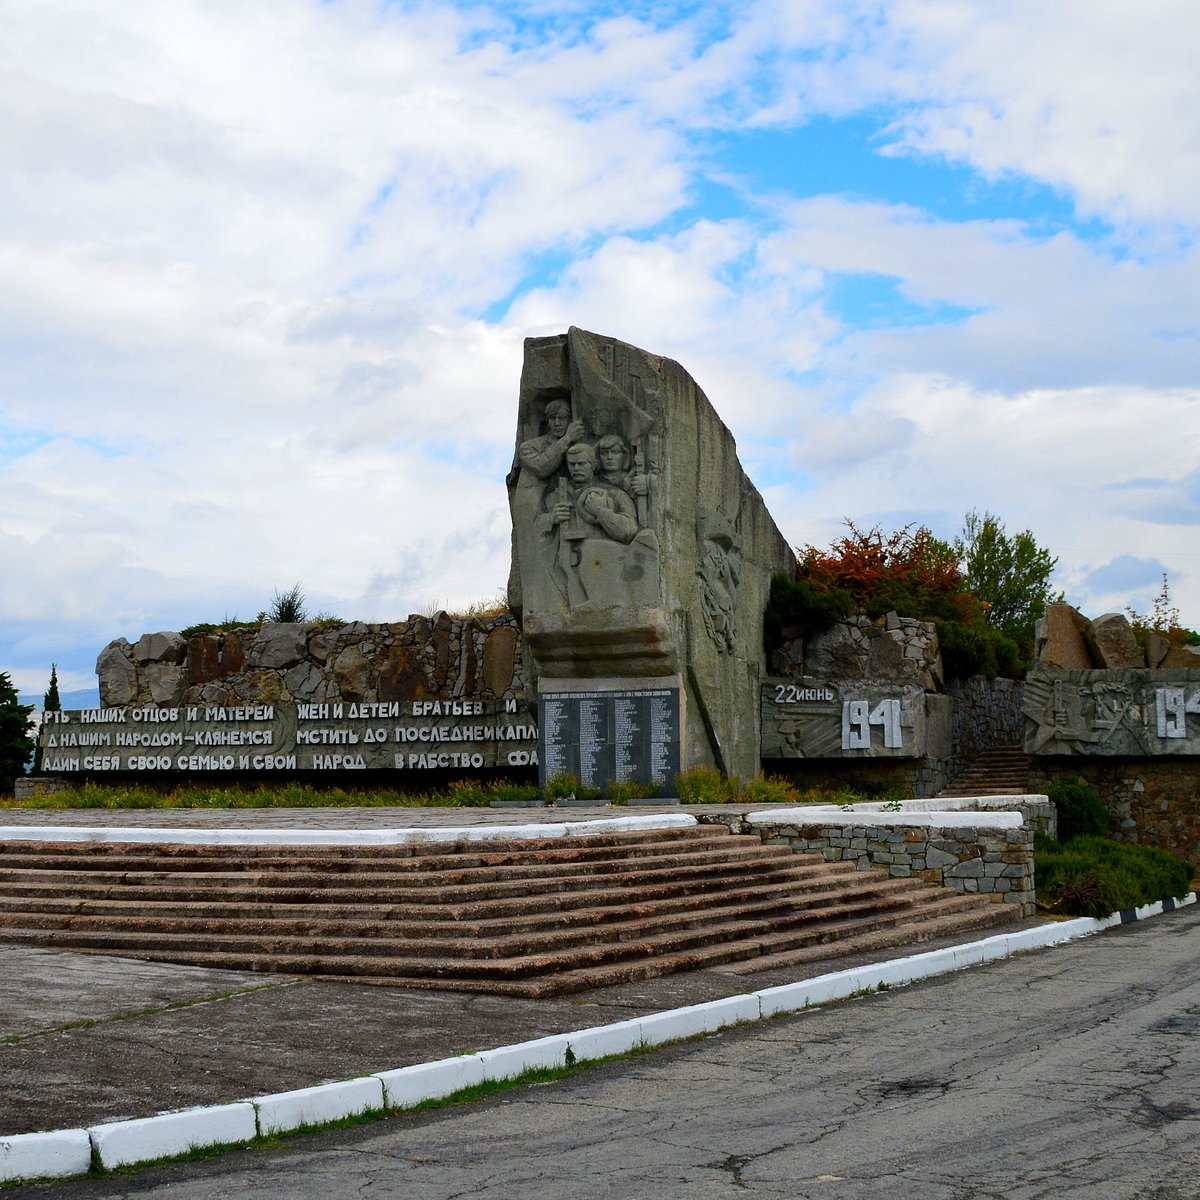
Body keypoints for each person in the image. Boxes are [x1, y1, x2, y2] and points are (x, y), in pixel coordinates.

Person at [518, 399, 586, 480]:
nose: (557, 423)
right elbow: (540, 469)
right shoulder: (529, 446)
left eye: (562, 418)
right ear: (548, 421)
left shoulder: (578, 445)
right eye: (553, 418)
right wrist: (567, 439)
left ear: (570, 420)